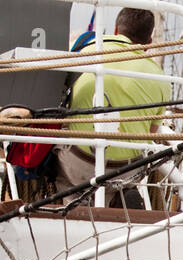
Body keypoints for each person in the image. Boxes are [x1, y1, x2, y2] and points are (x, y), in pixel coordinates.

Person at [54, 9, 170, 209]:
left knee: (61, 169)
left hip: (82, 161)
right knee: (128, 166)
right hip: (128, 167)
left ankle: (75, 208)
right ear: (149, 41)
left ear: (116, 30)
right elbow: (150, 134)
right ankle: (121, 195)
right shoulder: (160, 77)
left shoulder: (84, 53)